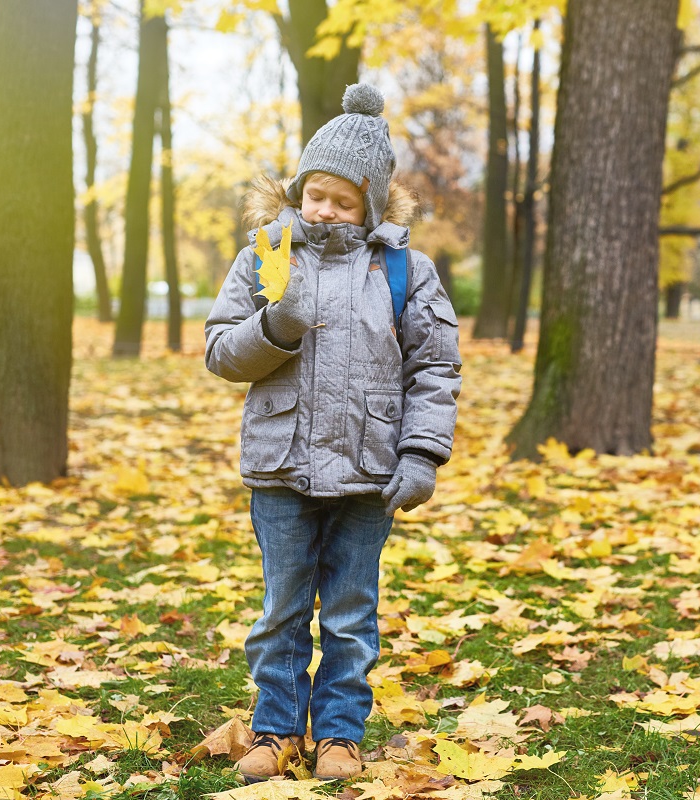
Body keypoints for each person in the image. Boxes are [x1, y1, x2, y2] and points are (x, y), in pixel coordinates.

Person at [204, 83, 461, 783]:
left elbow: (434, 368)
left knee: (351, 613)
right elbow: (221, 352)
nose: (325, 209)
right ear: (298, 189)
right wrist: (273, 327)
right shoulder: (264, 256)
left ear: (371, 205)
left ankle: (340, 734)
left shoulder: (407, 271)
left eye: (344, 200)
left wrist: (421, 453)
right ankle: (277, 728)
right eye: (316, 192)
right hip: (280, 468)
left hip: (367, 472)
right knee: (281, 610)